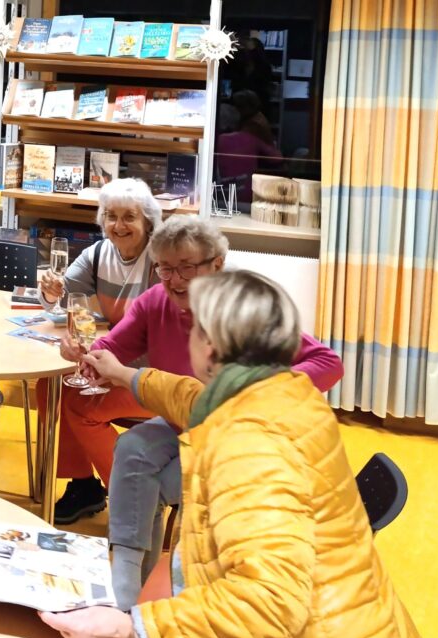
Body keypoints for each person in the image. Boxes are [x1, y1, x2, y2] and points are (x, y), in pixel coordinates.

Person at [41, 270, 438, 638]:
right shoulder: (285, 393)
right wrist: (126, 374)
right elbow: (193, 399)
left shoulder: (249, 446)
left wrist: (133, 629)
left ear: (208, 345)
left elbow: (269, 604)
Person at [68, 215, 342, 608]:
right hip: (180, 421)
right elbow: (114, 349)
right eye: (164, 267)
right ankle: (127, 572)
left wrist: (253, 389)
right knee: (132, 449)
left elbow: (328, 363)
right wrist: (88, 355)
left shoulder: (241, 312)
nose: (174, 279)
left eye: (186, 268)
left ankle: (137, 590)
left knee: (150, 481)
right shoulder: (155, 302)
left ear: (217, 264)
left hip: (234, 443)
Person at [34, 179, 164, 524]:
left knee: (81, 405)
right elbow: (60, 297)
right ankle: (84, 487)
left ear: (147, 221)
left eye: (129, 217)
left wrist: (101, 355)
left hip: (155, 374)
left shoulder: (160, 262)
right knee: (49, 388)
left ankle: (130, 501)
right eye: (111, 216)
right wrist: (50, 291)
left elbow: (155, 332)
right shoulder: (97, 254)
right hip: (113, 362)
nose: (118, 226)